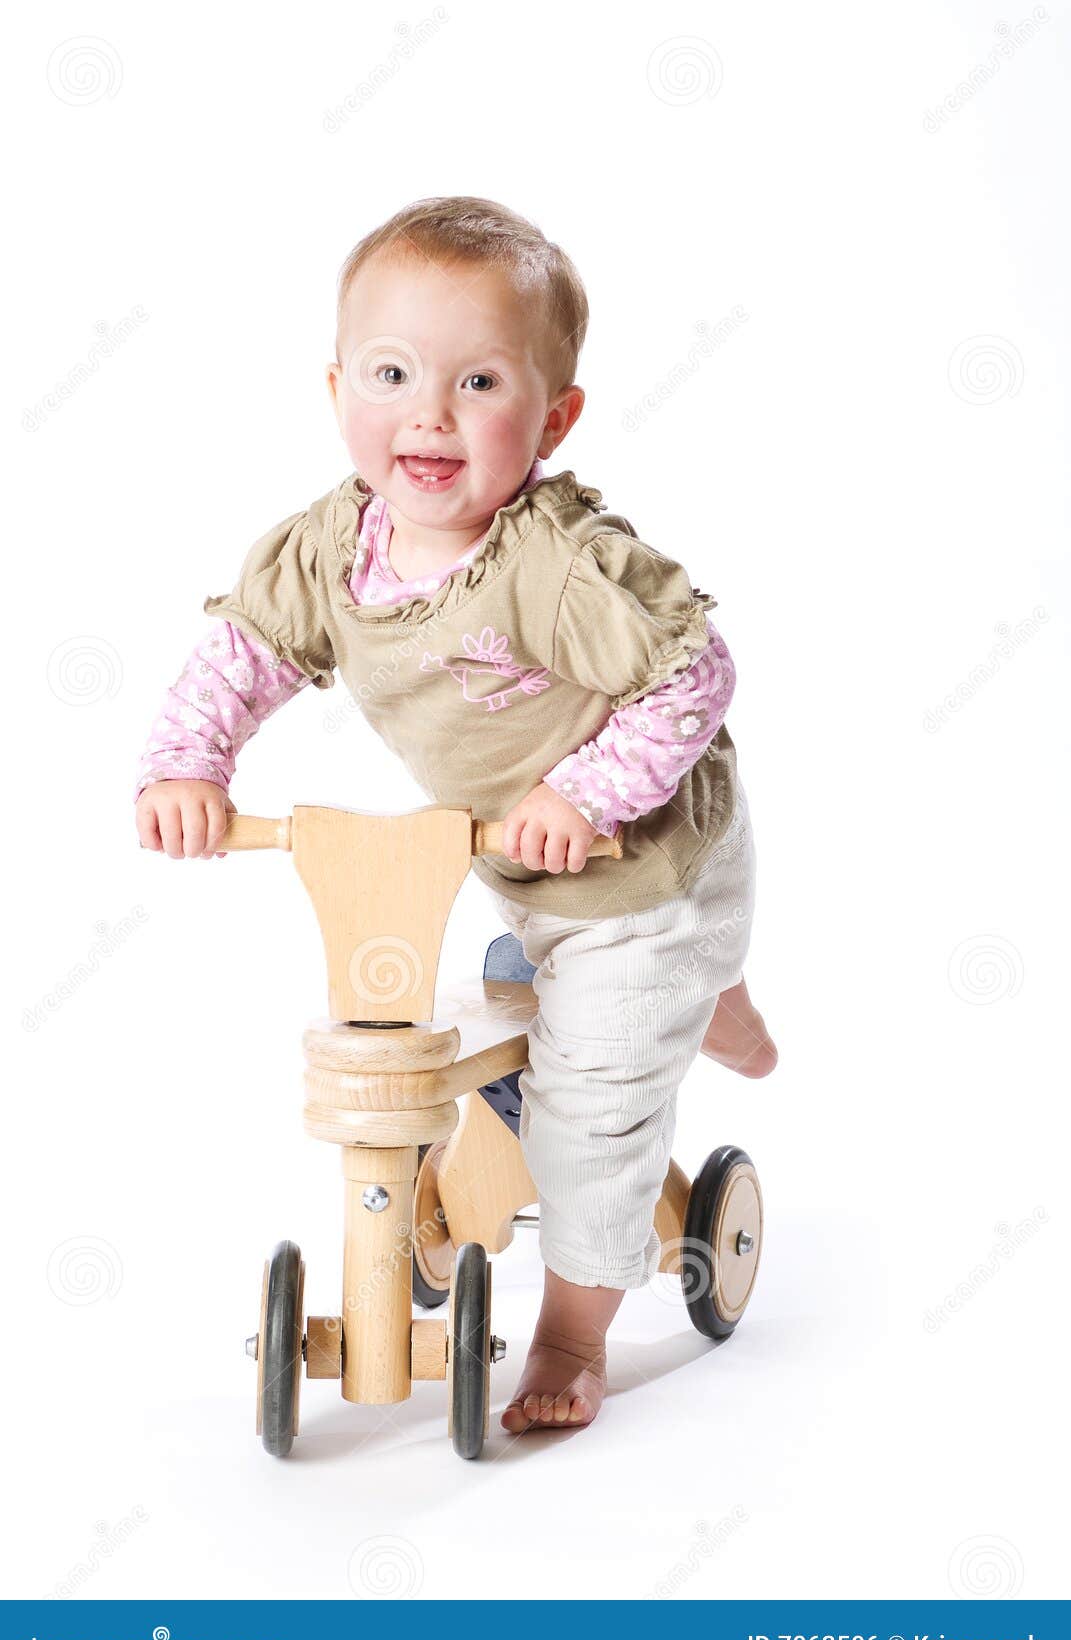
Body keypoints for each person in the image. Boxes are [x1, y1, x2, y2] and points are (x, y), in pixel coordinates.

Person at [134, 196, 778, 1437]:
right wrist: (188, 764)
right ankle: (708, 999)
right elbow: (244, 651)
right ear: (337, 387)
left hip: (645, 864)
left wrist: (584, 789)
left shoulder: (559, 563)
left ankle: (576, 1326)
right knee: (479, 1016)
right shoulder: (334, 551)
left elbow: (694, 672)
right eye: (391, 373)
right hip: (524, 872)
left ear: (553, 415)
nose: (427, 414)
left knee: (589, 1101)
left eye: (477, 381)